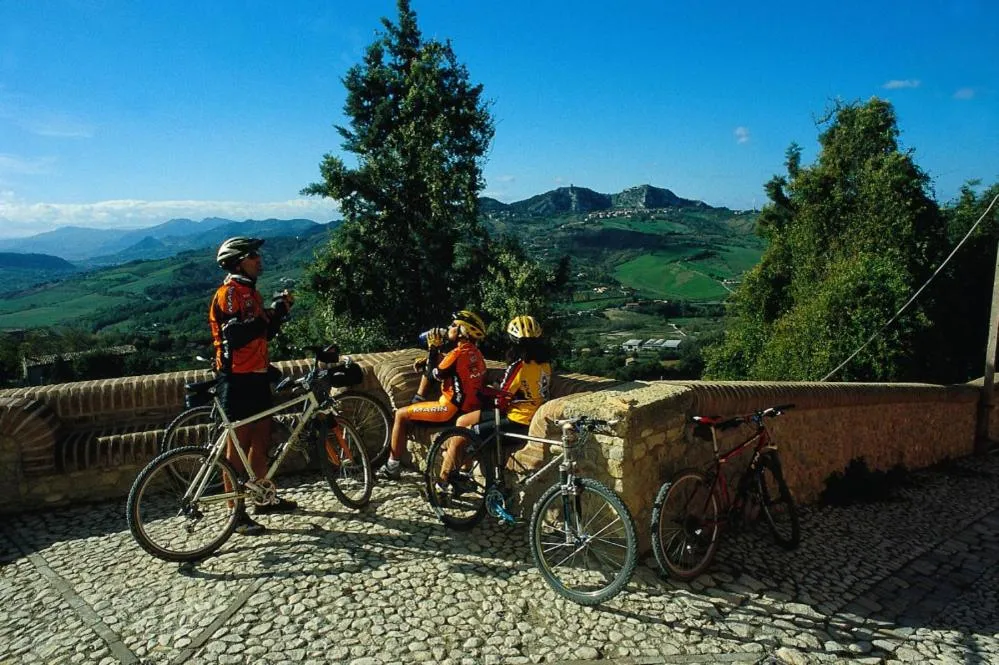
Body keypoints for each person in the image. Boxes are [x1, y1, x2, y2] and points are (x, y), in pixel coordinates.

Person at [209, 236, 296, 535]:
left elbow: (262, 334)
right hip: (237, 377)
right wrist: (267, 317)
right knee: (238, 446)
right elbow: (235, 336)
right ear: (237, 263)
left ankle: (262, 498)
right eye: (252, 256)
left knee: (262, 439)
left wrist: (278, 313)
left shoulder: (250, 293)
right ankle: (235, 513)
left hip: (257, 374)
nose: (259, 260)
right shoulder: (229, 293)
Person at [437, 315, 552, 489]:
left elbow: (502, 396)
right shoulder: (545, 365)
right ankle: (462, 472)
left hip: (516, 421)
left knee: (463, 434)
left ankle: (443, 482)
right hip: (527, 416)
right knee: (462, 421)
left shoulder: (519, 366)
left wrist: (486, 391)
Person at [381, 310, 487, 481]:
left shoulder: (457, 353)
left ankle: (392, 467)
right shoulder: (475, 353)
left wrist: (433, 349)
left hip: (449, 409)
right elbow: (452, 365)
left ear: (463, 331)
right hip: (469, 408)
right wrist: (434, 357)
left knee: (400, 415)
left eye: (453, 325)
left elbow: (433, 375)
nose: (449, 328)